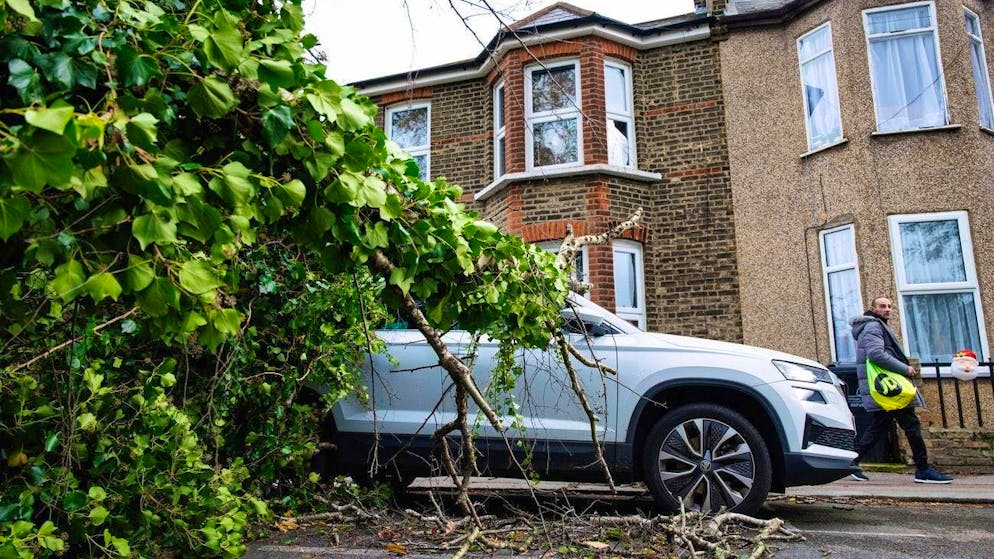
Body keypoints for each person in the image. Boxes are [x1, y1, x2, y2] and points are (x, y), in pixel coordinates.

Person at [849, 297, 953, 484]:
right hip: (891, 387)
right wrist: (905, 369)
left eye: (889, 306)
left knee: (880, 425)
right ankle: (923, 469)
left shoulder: (876, 326)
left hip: (886, 387)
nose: (887, 309)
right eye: (882, 306)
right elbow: (876, 354)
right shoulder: (874, 326)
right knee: (911, 425)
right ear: (872, 308)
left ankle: (851, 462)